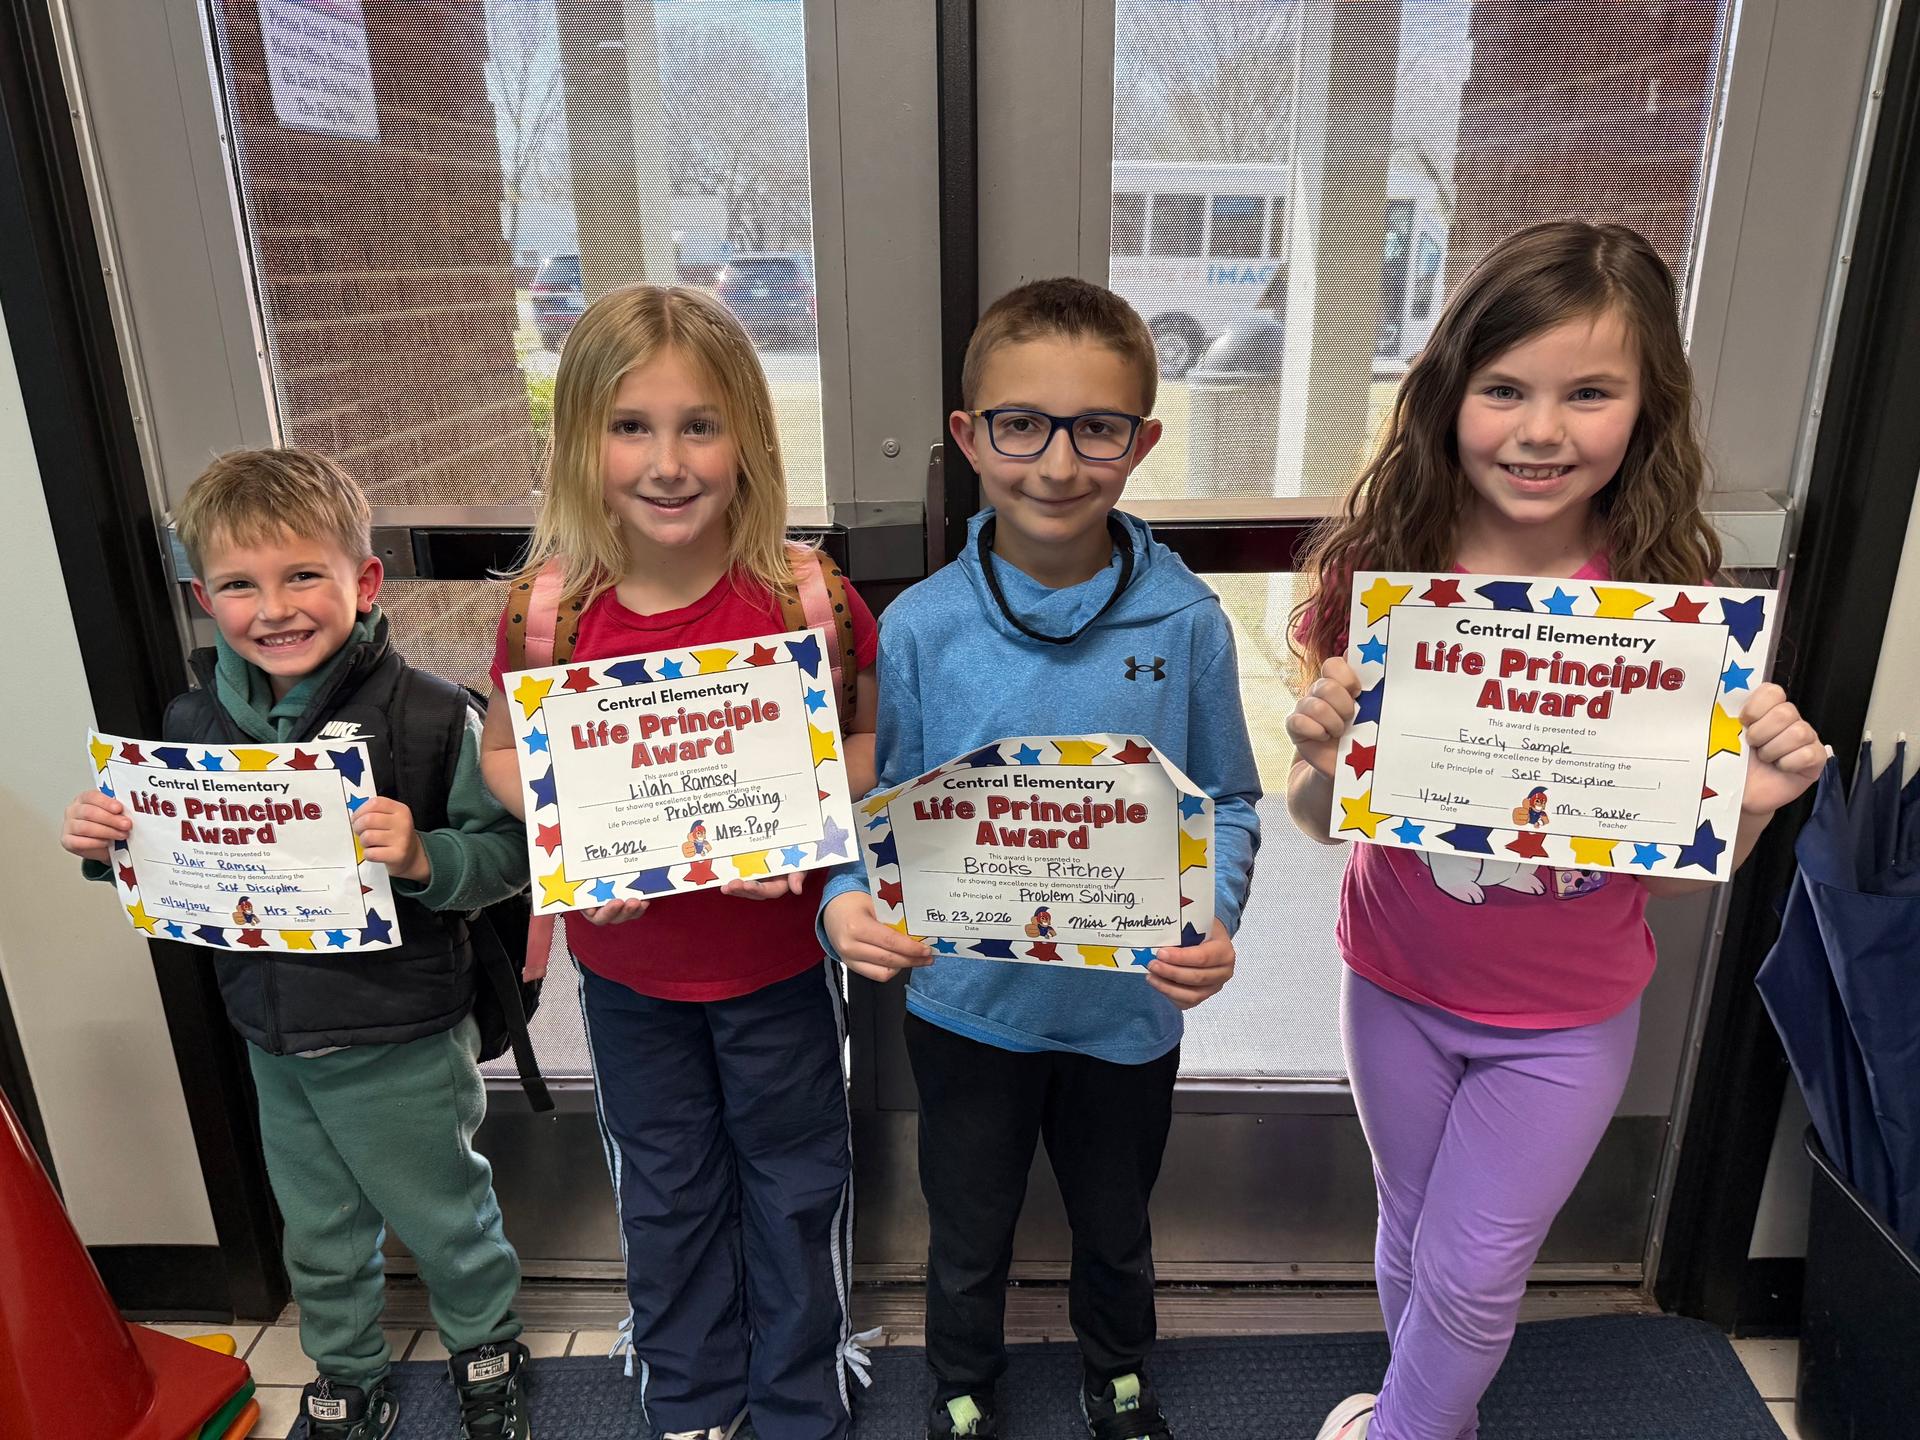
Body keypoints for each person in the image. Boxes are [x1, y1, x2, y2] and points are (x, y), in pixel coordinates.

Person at [1283, 222, 1825, 1440]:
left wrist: (1743, 810)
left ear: (1647, 406)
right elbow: (1325, 822)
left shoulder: (1666, 605)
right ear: (1448, 396)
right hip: (1393, 983)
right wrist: (1321, 763)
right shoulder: (1385, 576)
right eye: (1504, 390)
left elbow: (1667, 880)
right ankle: (1429, 1418)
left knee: (1474, 1268)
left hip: (1564, 1020)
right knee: (1413, 1228)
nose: (1541, 431)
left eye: (1589, 393)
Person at [819, 276, 1262, 1440]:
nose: (1059, 464)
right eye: (1023, 425)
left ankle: (1118, 1372)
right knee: (967, 1225)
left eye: (1096, 428)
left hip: (1127, 1012)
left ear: (1141, 442)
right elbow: (874, 812)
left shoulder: (1188, 624)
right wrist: (846, 902)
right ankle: (961, 1385)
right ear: (971, 438)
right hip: (968, 1009)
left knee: (1116, 1222)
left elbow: (1229, 799)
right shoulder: (920, 629)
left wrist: (1215, 912)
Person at [60, 449, 532, 1440]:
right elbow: (176, 864)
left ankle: (486, 1342)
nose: (274, 608)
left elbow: (508, 857)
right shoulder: (190, 726)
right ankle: (347, 1365)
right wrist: (113, 848)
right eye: (240, 585)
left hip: (403, 1029)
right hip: (273, 1032)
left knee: (446, 1210)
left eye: (303, 575)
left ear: (365, 581)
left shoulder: (432, 715)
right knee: (317, 1226)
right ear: (204, 599)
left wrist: (426, 855)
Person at [477, 284, 880, 1440]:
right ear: (581, 443)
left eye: (699, 425)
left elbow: (865, 743)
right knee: (663, 1185)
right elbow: (502, 756)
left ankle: (798, 1389)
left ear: (748, 437)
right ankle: (693, 1392)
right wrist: (583, 833)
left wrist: (796, 818)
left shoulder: (806, 598)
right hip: (628, 975)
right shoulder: (549, 613)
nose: (666, 462)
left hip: (779, 965)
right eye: (630, 427)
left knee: (796, 1179)